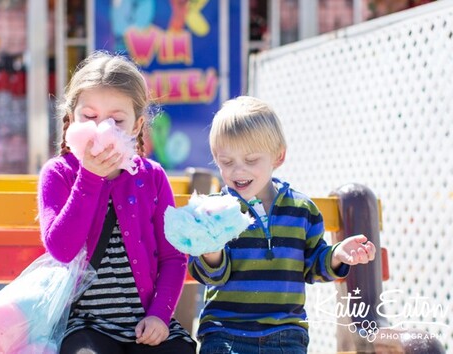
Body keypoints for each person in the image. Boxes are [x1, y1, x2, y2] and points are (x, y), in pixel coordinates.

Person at [190, 96, 377, 353]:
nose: (238, 171)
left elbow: (313, 266)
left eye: (251, 160)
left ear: (278, 157)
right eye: (227, 162)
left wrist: (337, 255)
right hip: (225, 333)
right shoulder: (214, 211)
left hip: (286, 335)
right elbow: (210, 275)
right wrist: (211, 252)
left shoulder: (301, 211)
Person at [38, 52, 196, 353]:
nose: (102, 128)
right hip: (85, 324)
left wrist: (160, 315)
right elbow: (62, 249)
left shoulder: (152, 177)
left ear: (136, 126)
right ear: (71, 121)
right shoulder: (58, 174)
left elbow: (173, 258)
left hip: (146, 320)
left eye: (116, 120)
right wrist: (89, 178)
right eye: (90, 117)